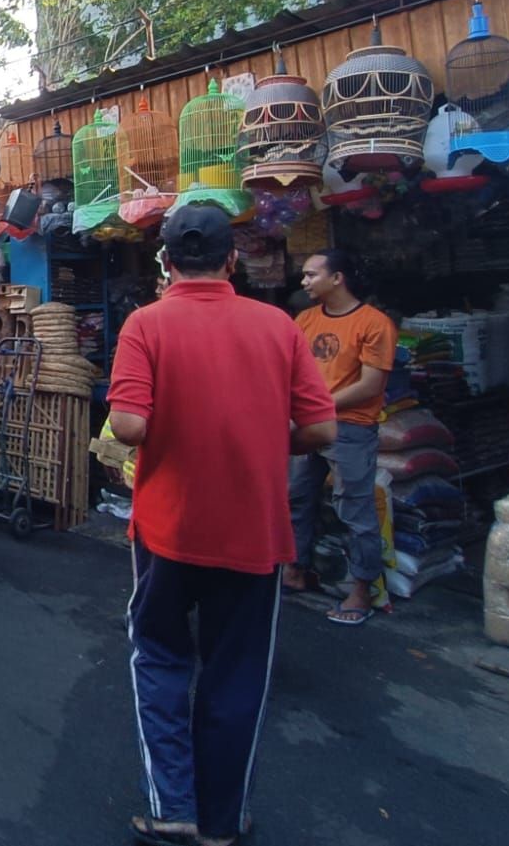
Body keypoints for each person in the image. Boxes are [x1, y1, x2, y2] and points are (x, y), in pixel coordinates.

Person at [107, 206, 336, 846]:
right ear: (231, 262)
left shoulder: (145, 325)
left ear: (168, 262)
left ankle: (172, 809)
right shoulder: (278, 326)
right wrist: (264, 439)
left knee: (158, 656)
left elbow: (127, 426)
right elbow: (320, 430)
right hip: (254, 534)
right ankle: (221, 824)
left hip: (167, 531)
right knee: (237, 677)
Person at [286, 250, 397, 625]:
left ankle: (362, 589)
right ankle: (295, 570)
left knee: (355, 509)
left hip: (350, 427)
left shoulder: (374, 323)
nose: (304, 282)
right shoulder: (304, 320)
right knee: (297, 498)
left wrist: (318, 406)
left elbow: (370, 385)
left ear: (337, 278)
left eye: (310, 275)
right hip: (307, 423)